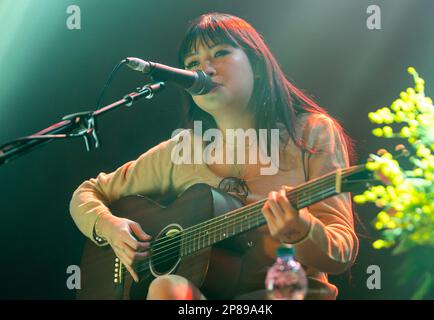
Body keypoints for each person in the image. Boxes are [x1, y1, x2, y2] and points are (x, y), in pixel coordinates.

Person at [69, 12, 359, 300]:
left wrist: (302, 229)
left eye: (219, 53)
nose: (203, 69)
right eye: (192, 64)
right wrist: (109, 227)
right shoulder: (181, 150)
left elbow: (341, 250)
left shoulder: (311, 133)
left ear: (257, 65)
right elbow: (87, 193)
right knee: (166, 288)